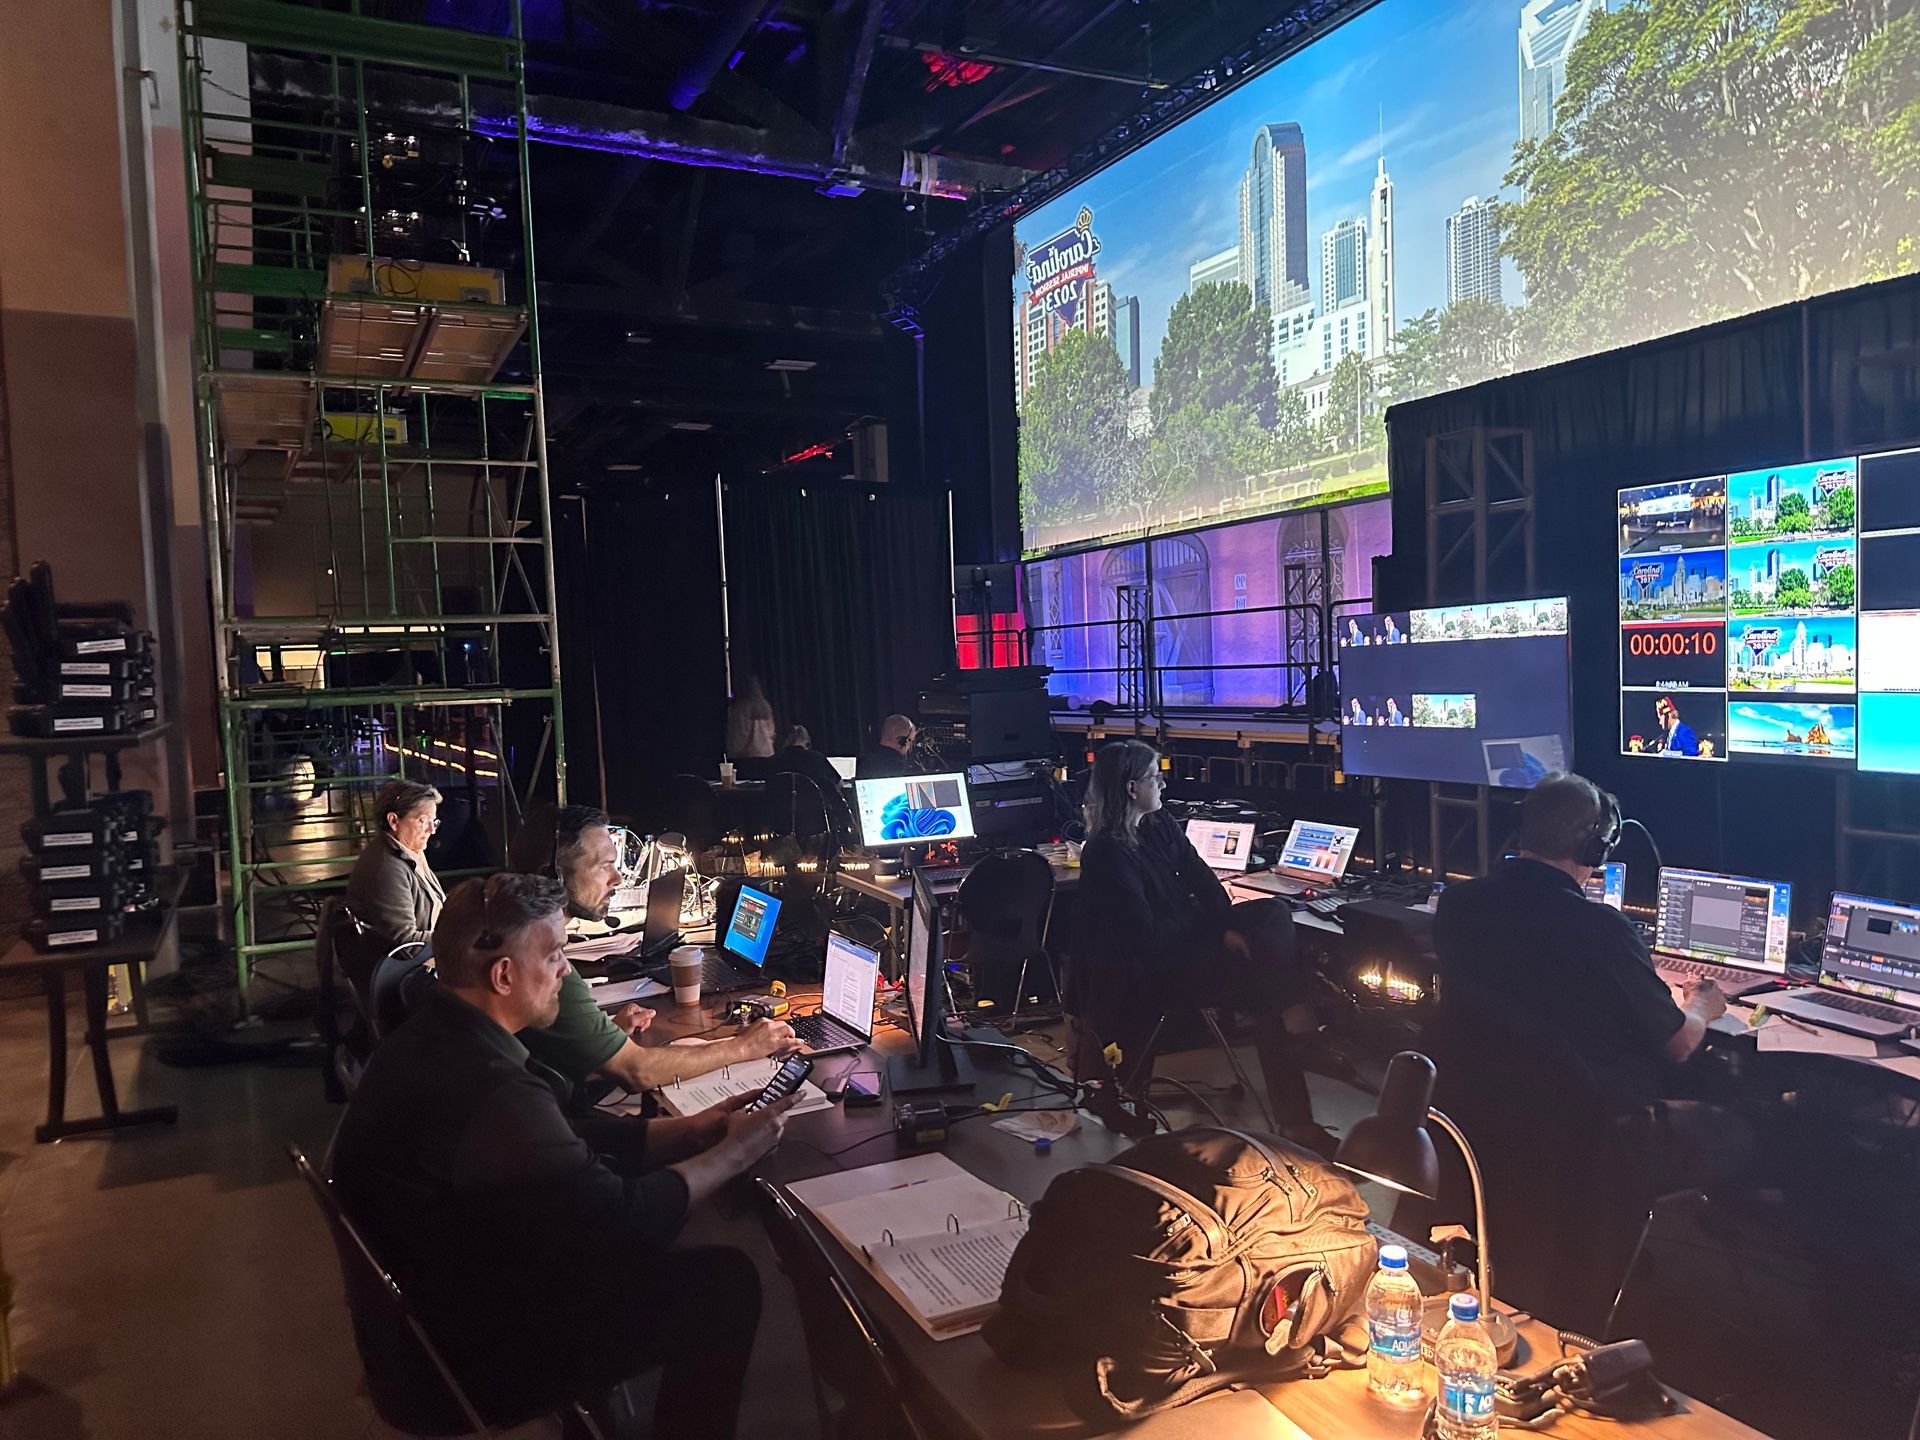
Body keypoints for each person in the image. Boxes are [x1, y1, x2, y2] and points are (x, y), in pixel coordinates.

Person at [330, 874, 791, 1437]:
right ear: (503, 975)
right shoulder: (490, 1083)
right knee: (725, 1285)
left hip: (425, 1324)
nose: (566, 972)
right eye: (552, 956)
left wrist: (692, 1132)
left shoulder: (436, 1036)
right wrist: (734, 1154)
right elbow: (626, 1220)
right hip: (462, 1363)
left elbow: (559, 1139)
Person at [1432, 772, 1735, 1191]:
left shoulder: (1459, 903)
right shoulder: (1600, 928)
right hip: (1589, 1130)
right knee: (1738, 1128)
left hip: (1483, 1112)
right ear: (1595, 848)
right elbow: (1679, 1044)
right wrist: (1703, 1003)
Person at [1071, 740, 1337, 1153]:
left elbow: (1204, 884)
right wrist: (1214, 928)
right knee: (1268, 979)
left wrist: (1226, 924)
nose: (1162, 782)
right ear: (1130, 789)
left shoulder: (1161, 825)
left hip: (1188, 943)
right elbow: (1148, 936)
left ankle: (1293, 1037)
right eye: (1154, 776)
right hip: (1155, 970)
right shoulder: (1107, 852)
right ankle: (1301, 1050)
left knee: (1271, 915)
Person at [503, 804, 800, 1094]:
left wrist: (608, 1036)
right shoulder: (544, 968)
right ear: (555, 874)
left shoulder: (515, 932)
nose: (617, 878)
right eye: (604, 865)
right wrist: (746, 1046)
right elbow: (637, 1071)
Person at [344, 779, 447, 956]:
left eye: (434, 822)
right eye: (423, 821)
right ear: (394, 821)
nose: (431, 830)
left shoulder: (408, 848)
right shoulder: (387, 868)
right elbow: (407, 944)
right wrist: (459, 939)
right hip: (414, 966)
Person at [771, 725, 854, 839]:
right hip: (817, 821)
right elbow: (837, 785)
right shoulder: (816, 758)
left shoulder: (774, 761)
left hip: (780, 821)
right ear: (807, 742)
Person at [857, 713, 921, 780]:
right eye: (910, 740)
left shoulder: (861, 763)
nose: (910, 746)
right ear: (902, 741)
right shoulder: (903, 770)